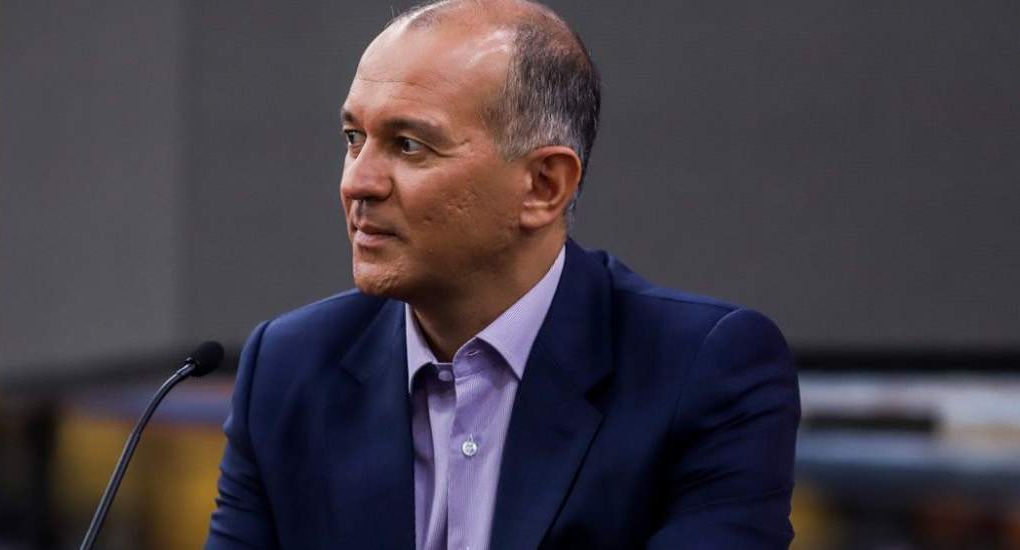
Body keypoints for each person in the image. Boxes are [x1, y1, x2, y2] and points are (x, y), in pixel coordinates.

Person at [205, 1, 800, 548]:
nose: (358, 182)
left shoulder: (704, 371)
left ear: (544, 186)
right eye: (354, 138)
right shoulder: (288, 369)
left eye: (408, 145)